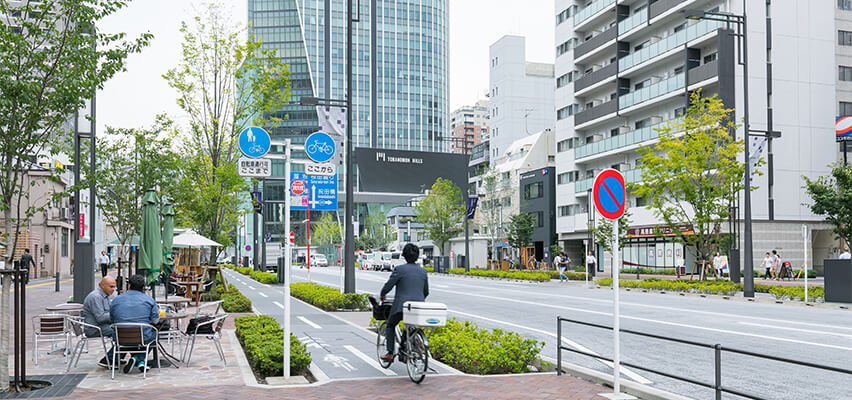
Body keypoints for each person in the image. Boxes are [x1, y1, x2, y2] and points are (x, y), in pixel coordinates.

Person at [379, 243, 429, 363]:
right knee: (410, 325)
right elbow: (426, 292)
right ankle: (409, 345)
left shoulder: (400, 269)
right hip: (418, 307)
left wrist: (382, 294)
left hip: (402, 306)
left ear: (404, 256)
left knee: (390, 325)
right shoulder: (423, 271)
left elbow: (389, 285)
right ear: (417, 256)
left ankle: (390, 353)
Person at [110, 274, 160, 373]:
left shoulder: (116, 300)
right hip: (142, 337)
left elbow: (112, 319)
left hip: (120, 338)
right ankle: (138, 358)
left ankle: (140, 361)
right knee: (155, 335)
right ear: (143, 288)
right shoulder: (149, 300)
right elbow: (155, 321)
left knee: (135, 335)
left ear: (129, 285)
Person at [82, 276, 120, 368]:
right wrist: (117, 315)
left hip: (102, 325)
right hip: (94, 328)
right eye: (111, 287)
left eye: (114, 287)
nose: (113, 290)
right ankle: (109, 359)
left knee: (125, 331)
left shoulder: (105, 295)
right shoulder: (96, 297)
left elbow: (109, 312)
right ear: (102, 286)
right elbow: (100, 318)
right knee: (121, 333)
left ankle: (117, 356)